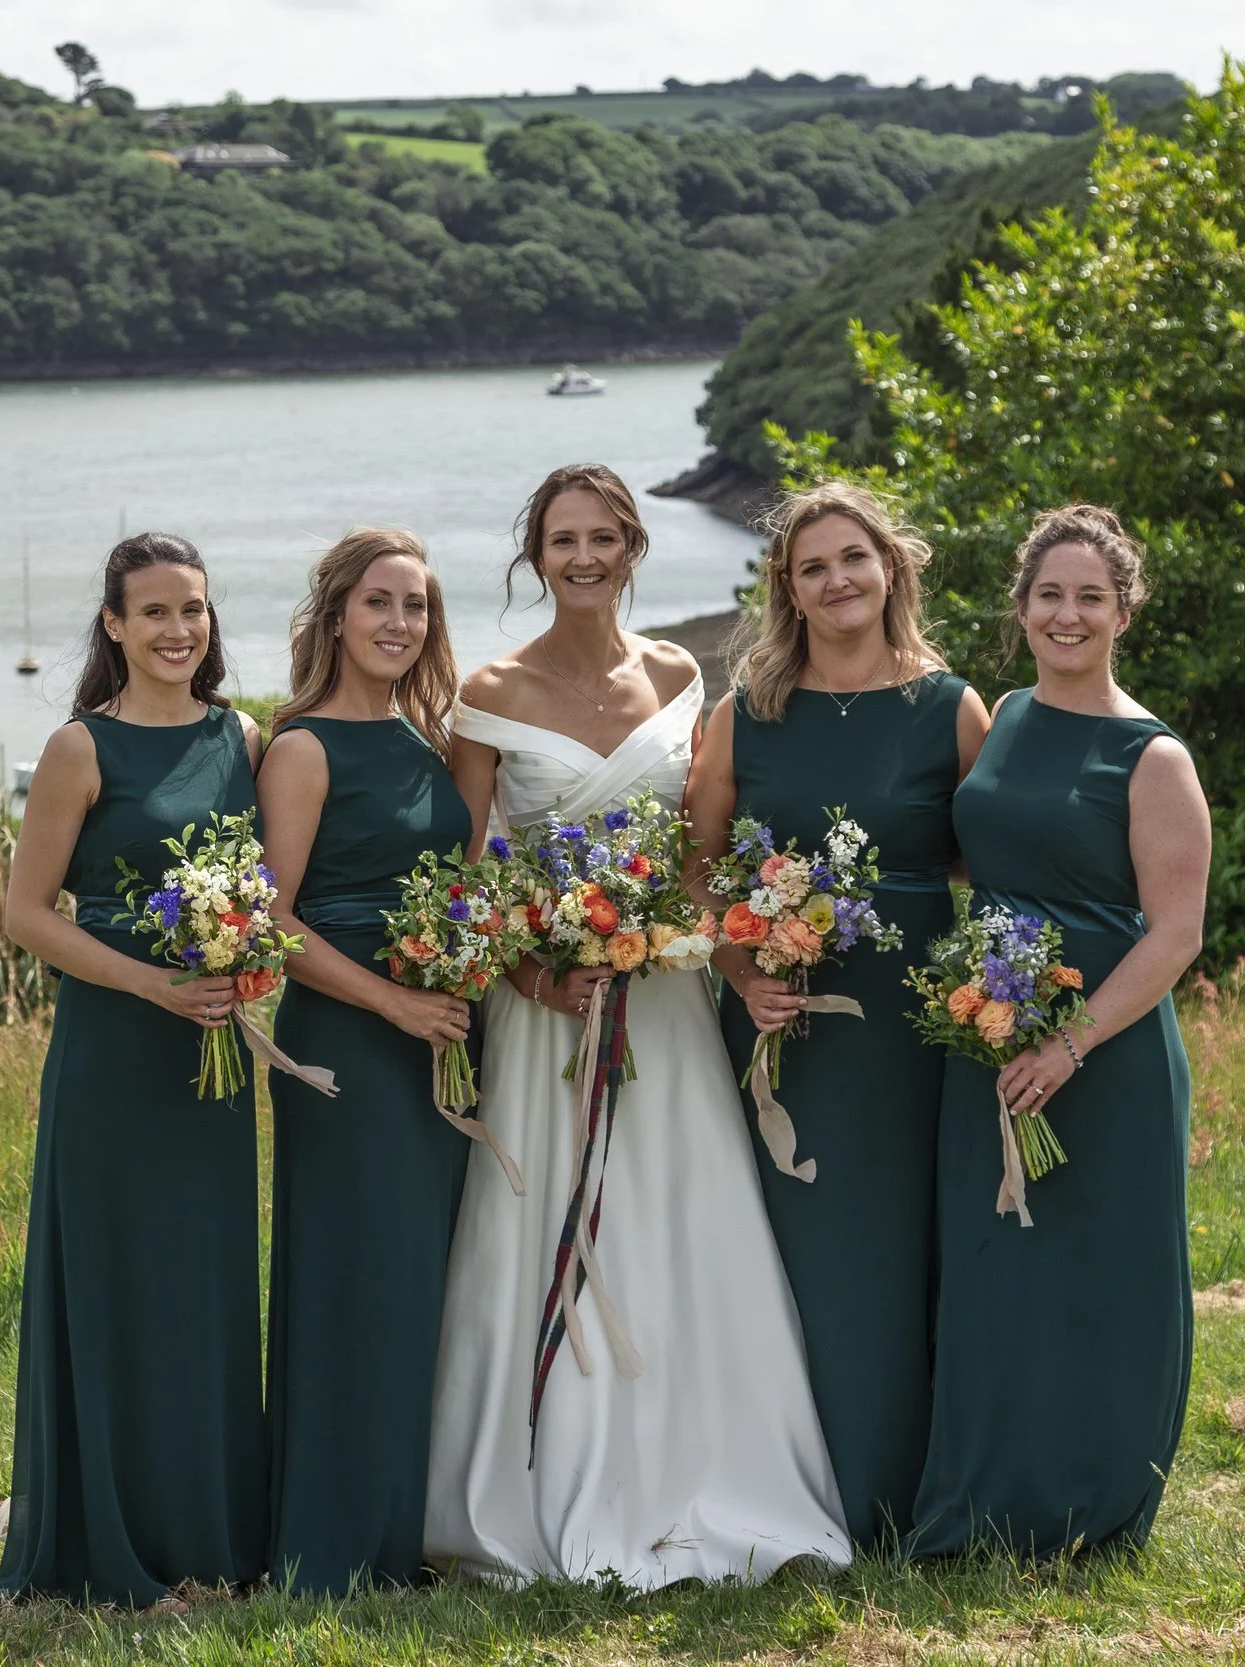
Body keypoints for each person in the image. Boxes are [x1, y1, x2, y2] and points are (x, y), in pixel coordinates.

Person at [423, 463, 851, 1589]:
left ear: (631, 548)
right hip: (546, 1015)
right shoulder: (488, 690)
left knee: (681, 1215)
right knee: (544, 1224)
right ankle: (541, 1478)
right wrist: (532, 970)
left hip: (662, 1000)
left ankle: (703, 1470)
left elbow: (697, 859)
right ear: (535, 555)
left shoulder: (676, 672)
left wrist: (706, 944)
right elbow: (461, 877)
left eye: (603, 537)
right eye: (563, 539)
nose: (584, 557)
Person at [683, 481, 989, 1552]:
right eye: (811, 566)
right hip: (784, 1023)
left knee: (910, 1239)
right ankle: (800, 1487)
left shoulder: (952, 706)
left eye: (853, 556)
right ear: (788, 588)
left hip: (915, 1025)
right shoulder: (745, 713)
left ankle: (908, 1486)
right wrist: (739, 965)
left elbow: (990, 855)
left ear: (890, 566)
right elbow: (698, 866)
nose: (836, 579)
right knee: (797, 1242)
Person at [910, 504, 1211, 1561]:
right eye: (1049, 594)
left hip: (1102, 1052)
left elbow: (1176, 933)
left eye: (1091, 596)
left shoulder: (1152, 754)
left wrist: (1069, 1043)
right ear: (1022, 605)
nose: (1067, 614)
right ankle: (987, 1497)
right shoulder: (1003, 716)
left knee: (1096, 1269)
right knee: (996, 1264)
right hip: (989, 1035)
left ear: (1125, 611)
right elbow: (984, 851)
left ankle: (1092, 1499)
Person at [0, 534, 266, 1605]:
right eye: (153, 612)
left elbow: (265, 889)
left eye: (192, 608)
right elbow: (25, 915)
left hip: (212, 1054)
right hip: (112, 1050)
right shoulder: (79, 747)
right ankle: (106, 1532)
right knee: (115, 1282)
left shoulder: (243, 735)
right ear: (113, 623)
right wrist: (150, 984)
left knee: (205, 1282)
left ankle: (212, 1532)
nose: (177, 630)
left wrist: (247, 963)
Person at [255, 528, 475, 1595]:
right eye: (379, 602)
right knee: (356, 1281)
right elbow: (273, 921)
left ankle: (405, 1526)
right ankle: (333, 1539)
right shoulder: (302, 748)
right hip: (346, 1045)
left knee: (419, 1283)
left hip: (437, 1034)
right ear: (336, 614)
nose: (399, 622)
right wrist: (393, 1000)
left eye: (415, 605)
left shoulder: (427, 739)